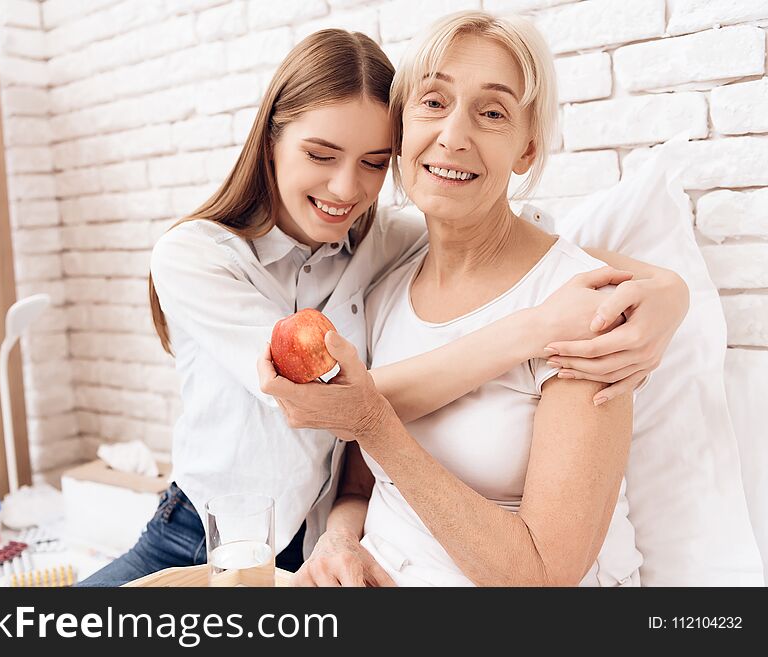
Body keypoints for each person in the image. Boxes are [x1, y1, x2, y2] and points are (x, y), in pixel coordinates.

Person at [79, 27, 688, 587]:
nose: (346, 190)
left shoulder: (387, 241)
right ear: (269, 142)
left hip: (311, 543)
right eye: (320, 155)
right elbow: (310, 399)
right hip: (203, 533)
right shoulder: (196, 255)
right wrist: (529, 330)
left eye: (373, 163)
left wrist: (668, 292)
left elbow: (535, 244)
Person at [259, 12, 678, 587]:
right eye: (433, 102)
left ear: (527, 150)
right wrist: (338, 539)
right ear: (400, 128)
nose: (454, 135)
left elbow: (544, 576)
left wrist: (377, 425)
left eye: (492, 113)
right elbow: (359, 482)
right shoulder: (382, 290)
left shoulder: (584, 310)